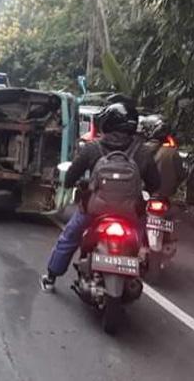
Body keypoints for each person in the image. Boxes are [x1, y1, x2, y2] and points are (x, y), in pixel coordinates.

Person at [40, 102, 160, 292]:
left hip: (94, 211)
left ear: (108, 123)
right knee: (143, 240)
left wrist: (72, 184)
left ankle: (51, 277)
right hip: (130, 213)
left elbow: (71, 176)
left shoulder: (92, 148)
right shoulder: (143, 152)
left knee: (70, 236)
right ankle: (142, 266)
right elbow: (155, 184)